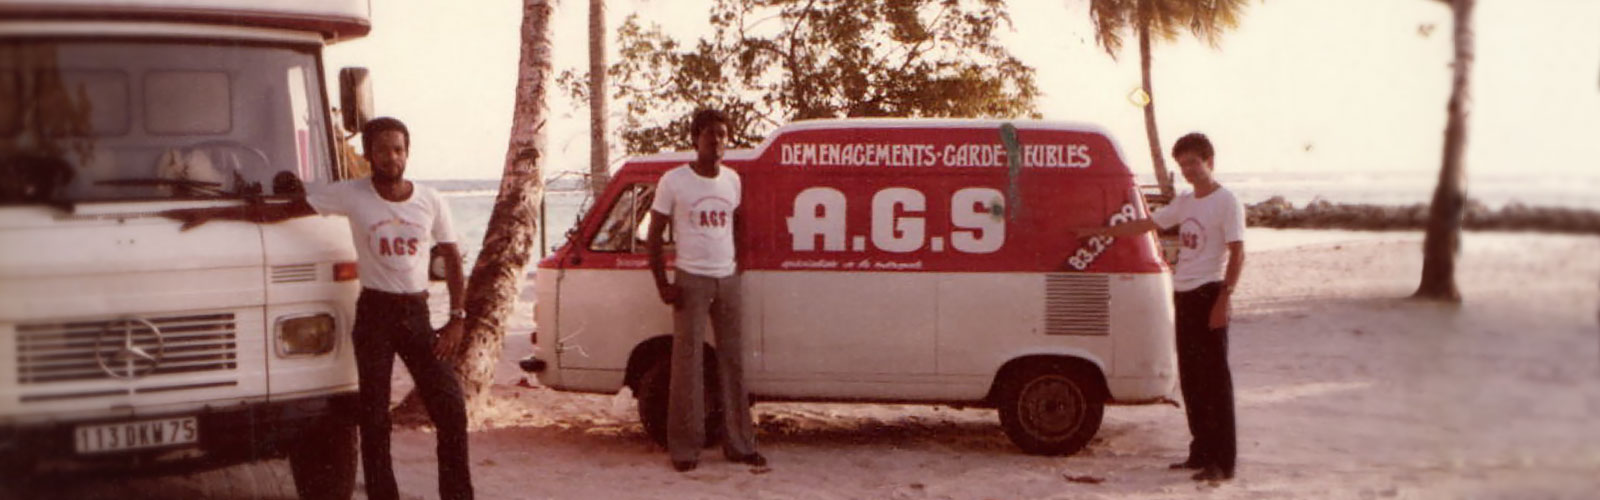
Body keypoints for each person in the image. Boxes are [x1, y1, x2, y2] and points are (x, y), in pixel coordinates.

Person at [162, 117, 474, 499]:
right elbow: (284, 211)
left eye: (397, 149)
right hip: (375, 314)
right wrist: (213, 214)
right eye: (382, 150)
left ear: (407, 153)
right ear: (369, 155)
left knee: (451, 410)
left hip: (417, 313)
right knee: (374, 420)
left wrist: (458, 317)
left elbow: (452, 257)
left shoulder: (430, 200)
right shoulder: (350, 193)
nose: (391, 157)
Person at [1073, 132, 1243, 481]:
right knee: (1193, 380)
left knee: (1214, 381)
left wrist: (1224, 298)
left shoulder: (1227, 201)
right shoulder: (1186, 201)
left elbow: (1238, 252)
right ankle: (1200, 451)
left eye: (1194, 163)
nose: (1189, 171)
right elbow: (1145, 224)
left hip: (1210, 292)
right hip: (1183, 292)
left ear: (1210, 161)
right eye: (1183, 166)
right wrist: (1096, 231)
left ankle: (1222, 462)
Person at [646, 108, 765, 472]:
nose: (717, 141)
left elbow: (738, 224)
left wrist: (738, 267)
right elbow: (654, 233)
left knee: (733, 362)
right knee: (688, 364)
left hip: (726, 279)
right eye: (710, 134)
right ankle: (684, 450)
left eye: (723, 134)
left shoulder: (732, 180)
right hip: (690, 280)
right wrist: (663, 283)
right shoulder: (674, 181)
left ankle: (740, 444)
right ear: (695, 139)